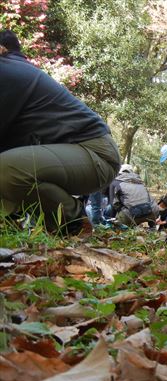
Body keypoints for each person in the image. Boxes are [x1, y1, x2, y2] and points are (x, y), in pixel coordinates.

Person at [0, 33, 120, 236]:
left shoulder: (8, 72)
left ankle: (73, 218)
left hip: (96, 154)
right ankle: (16, 230)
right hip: (80, 154)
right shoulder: (17, 71)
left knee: (5, 169)